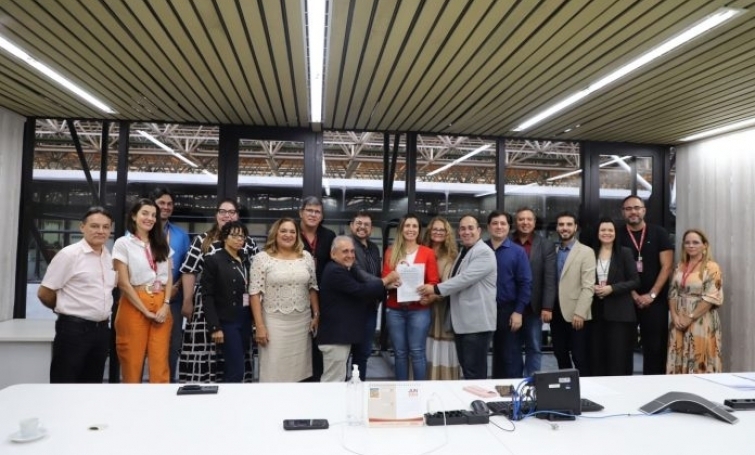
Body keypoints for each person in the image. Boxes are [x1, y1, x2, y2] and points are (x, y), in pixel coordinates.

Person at [178, 199, 259, 383]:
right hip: (208, 307)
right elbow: (189, 271)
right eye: (223, 211)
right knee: (207, 352)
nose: (227, 215)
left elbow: (255, 273)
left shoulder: (248, 243)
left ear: (237, 215)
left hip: (239, 308)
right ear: (216, 214)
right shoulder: (202, 240)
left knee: (236, 357)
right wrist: (187, 301)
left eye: (232, 212)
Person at [37, 206, 117, 383]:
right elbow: (44, 293)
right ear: (82, 227)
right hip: (73, 331)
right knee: (65, 383)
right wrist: (64, 308)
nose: (101, 231)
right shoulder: (69, 255)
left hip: (101, 331)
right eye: (94, 226)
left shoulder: (107, 256)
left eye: (105, 227)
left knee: (91, 386)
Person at [418, 214, 497, 380]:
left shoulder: (484, 252)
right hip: (463, 323)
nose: (466, 232)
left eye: (470, 228)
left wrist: (435, 289)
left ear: (479, 231)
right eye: (462, 229)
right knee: (468, 370)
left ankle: (478, 398)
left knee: (474, 372)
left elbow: (463, 280)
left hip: (476, 325)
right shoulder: (464, 252)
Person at [318, 236, 400, 382]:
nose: (350, 255)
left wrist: (384, 286)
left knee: (338, 379)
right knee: (333, 382)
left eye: (352, 251)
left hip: (340, 338)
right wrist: (386, 280)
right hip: (335, 339)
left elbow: (362, 288)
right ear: (333, 254)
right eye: (345, 251)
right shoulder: (335, 271)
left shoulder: (344, 269)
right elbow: (360, 290)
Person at [250, 218, 319, 383]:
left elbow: (312, 287)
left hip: (301, 324)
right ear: (275, 233)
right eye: (283, 231)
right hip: (274, 323)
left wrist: (316, 314)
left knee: (300, 373)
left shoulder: (306, 257)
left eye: (292, 231)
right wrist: (259, 326)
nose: (288, 235)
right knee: (273, 371)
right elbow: (254, 293)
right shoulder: (262, 258)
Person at [112, 198, 173, 383]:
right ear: (134, 216)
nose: (150, 218)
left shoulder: (161, 243)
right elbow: (123, 283)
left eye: (153, 215)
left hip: (161, 301)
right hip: (134, 302)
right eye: (145, 213)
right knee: (132, 362)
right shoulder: (123, 243)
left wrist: (166, 304)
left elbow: (169, 276)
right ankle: (131, 401)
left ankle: (160, 400)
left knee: (160, 362)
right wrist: (145, 311)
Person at [618, 195, 674, 375]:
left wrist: (651, 295)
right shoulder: (617, 234)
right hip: (626, 299)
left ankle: (653, 385)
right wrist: (634, 295)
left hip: (655, 301)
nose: (633, 212)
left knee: (655, 347)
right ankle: (623, 385)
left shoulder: (659, 233)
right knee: (623, 347)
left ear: (644, 210)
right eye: (628, 209)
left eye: (636, 207)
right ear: (623, 213)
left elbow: (667, 266)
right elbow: (616, 268)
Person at [383, 214, 440, 381]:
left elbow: (434, 281)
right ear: (401, 229)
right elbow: (384, 279)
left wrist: (426, 292)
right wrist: (390, 285)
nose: (411, 229)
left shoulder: (427, 252)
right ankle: (402, 390)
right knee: (400, 353)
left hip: (419, 310)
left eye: (414, 226)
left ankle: (419, 391)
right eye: (407, 226)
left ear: (419, 230)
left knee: (417, 352)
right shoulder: (391, 252)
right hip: (395, 309)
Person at [200, 221, 253, 383]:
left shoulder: (246, 259)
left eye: (242, 236)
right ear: (224, 237)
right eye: (234, 235)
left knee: (237, 366)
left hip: (245, 319)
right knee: (236, 369)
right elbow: (207, 295)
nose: (239, 239)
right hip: (226, 321)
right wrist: (214, 327)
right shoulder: (214, 260)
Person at [667, 229, 723, 374]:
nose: (691, 245)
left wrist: (690, 317)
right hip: (678, 320)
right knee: (678, 358)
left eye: (695, 242)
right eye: (687, 243)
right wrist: (674, 316)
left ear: (705, 245)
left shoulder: (712, 267)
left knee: (699, 359)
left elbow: (711, 297)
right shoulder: (680, 265)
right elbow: (672, 292)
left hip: (701, 321)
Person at [149, 187, 190, 382]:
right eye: (161, 203)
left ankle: (168, 385)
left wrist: (176, 287)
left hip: (173, 299)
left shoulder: (181, 236)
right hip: (144, 298)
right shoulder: (136, 234)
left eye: (169, 204)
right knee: (141, 347)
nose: (166, 207)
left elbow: (187, 267)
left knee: (172, 346)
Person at [590, 217, 640, 376]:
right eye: (603, 230)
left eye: (610, 230)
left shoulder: (625, 252)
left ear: (616, 233)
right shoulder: (590, 253)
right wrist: (591, 286)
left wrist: (612, 288)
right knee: (597, 357)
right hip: (596, 313)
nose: (607, 233)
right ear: (597, 233)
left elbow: (635, 281)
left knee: (618, 358)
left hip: (620, 314)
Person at [485, 211, 532, 379]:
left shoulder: (518, 252)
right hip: (483, 310)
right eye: (495, 223)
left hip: (507, 310)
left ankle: (511, 392)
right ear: (488, 227)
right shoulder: (480, 249)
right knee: (482, 356)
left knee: (509, 357)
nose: (499, 227)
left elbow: (525, 283)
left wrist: (518, 311)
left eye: (503, 223)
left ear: (508, 227)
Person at [512, 207, 556, 377]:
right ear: (516, 222)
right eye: (521, 219)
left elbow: (549, 278)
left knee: (534, 347)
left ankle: (532, 384)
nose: (525, 222)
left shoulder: (545, 245)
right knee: (511, 349)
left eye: (529, 219)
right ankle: (514, 383)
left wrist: (547, 306)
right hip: (511, 306)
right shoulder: (507, 241)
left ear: (534, 222)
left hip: (534, 306)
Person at [552, 211, 595, 377]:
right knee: (560, 354)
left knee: (580, 357)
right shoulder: (554, 251)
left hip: (577, 313)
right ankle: (567, 386)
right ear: (557, 228)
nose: (565, 228)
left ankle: (585, 388)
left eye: (569, 224)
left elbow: (588, 286)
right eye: (561, 224)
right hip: (556, 312)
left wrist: (580, 312)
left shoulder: (586, 252)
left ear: (575, 227)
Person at [298, 196, 335, 382]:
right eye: (309, 210)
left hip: (323, 296)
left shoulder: (329, 236)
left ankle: (317, 381)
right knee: (299, 342)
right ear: (301, 213)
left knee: (318, 341)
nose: (313, 214)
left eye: (317, 212)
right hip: (296, 294)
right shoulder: (291, 232)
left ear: (322, 216)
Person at [422, 216, 460, 380]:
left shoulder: (452, 256)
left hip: (442, 310)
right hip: (420, 308)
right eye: (434, 229)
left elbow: (449, 285)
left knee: (441, 347)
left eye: (442, 230)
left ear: (447, 233)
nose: (437, 232)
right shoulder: (421, 251)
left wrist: (433, 297)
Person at [349, 212, 383, 380]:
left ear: (371, 228)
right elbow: (357, 272)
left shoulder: (374, 248)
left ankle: (359, 386)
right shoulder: (347, 245)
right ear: (351, 225)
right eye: (359, 223)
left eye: (366, 224)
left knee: (363, 353)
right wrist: (383, 283)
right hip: (351, 308)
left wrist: (379, 295)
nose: (362, 227)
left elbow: (377, 272)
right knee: (345, 353)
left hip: (370, 308)